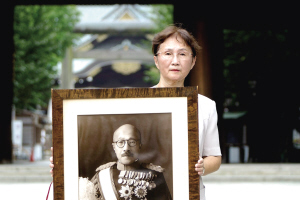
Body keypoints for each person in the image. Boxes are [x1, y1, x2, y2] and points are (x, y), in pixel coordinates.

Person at [50, 24, 222, 200]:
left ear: (193, 61)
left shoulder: (206, 106)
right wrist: (64, 160)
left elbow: (214, 156)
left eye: (183, 54)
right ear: (156, 60)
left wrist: (203, 167)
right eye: (168, 53)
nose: (175, 61)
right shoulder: (139, 104)